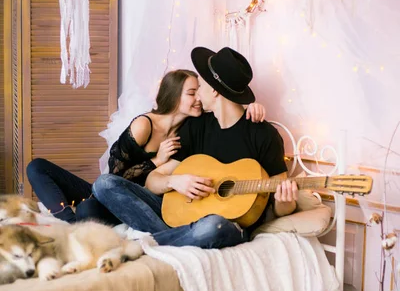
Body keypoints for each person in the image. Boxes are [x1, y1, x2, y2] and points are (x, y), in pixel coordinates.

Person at [93, 46, 298, 249]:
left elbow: (278, 204)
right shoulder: (196, 126)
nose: (198, 93)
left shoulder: (264, 135)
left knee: (212, 226)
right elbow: (153, 180)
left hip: (226, 224)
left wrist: (285, 202)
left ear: (215, 91)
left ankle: (156, 242)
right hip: (182, 215)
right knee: (105, 184)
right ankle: (172, 239)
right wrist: (175, 181)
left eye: (201, 86)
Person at [26, 68, 265, 224]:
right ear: (174, 96)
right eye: (192, 93)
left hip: (142, 201)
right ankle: (67, 220)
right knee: (37, 167)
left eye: (198, 92)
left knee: (88, 210)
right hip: (112, 188)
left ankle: (75, 220)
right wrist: (156, 162)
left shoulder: (195, 127)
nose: (199, 98)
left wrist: (251, 106)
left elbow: (226, 111)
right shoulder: (145, 125)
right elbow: (115, 174)